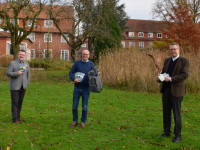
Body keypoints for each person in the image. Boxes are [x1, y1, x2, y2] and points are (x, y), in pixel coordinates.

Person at [158, 43, 189, 143]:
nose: (173, 51)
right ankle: (167, 132)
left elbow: (184, 75)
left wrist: (171, 79)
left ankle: (177, 136)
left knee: (177, 115)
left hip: (177, 92)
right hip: (166, 91)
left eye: (174, 49)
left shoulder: (184, 61)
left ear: (179, 49)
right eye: (171, 49)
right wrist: (159, 76)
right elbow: (163, 74)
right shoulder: (167, 60)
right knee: (166, 113)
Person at [69, 49, 94, 128]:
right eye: (84, 54)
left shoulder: (91, 64)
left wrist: (97, 73)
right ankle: (75, 121)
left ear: (89, 55)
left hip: (86, 88)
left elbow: (94, 75)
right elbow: (70, 72)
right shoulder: (77, 63)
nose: (85, 56)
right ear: (81, 55)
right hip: (77, 88)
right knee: (74, 106)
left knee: (85, 106)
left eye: (86, 54)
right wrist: (73, 79)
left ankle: (83, 122)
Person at [6, 50, 30, 124]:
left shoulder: (26, 64)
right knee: (15, 102)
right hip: (15, 87)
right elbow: (8, 73)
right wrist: (17, 73)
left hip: (23, 87)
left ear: (24, 55)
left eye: (23, 54)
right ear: (17, 54)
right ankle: (15, 119)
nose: (21, 56)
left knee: (20, 103)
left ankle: (18, 117)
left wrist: (26, 84)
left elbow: (28, 76)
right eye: (20, 54)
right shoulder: (12, 63)